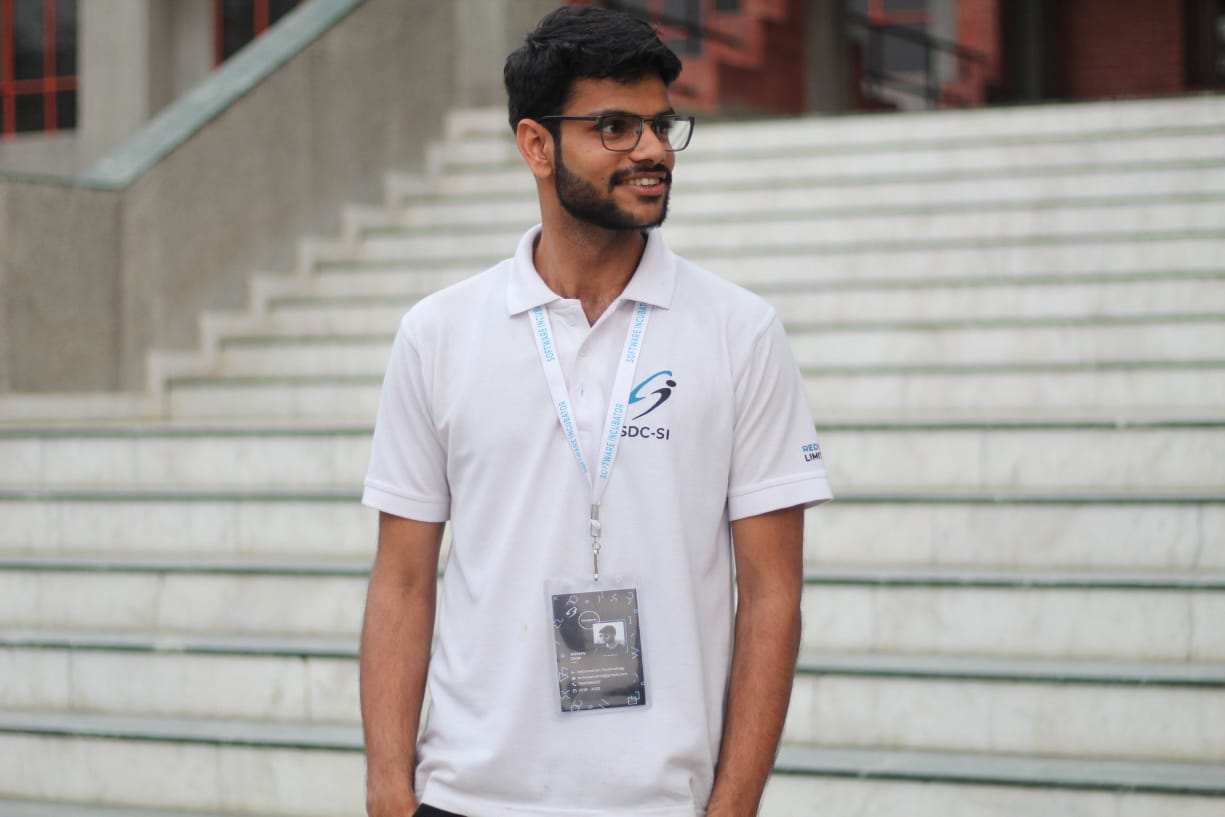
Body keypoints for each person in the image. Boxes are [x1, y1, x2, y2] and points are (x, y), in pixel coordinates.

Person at [358, 6, 833, 817]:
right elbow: (402, 580)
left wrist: (733, 804)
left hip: (658, 800)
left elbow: (771, 592)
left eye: (660, 125)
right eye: (614, 127)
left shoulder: (739, 332)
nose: (651, 150)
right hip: (467, 794)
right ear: (536, 145)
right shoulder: (437, 334)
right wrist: (387, 792)